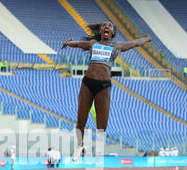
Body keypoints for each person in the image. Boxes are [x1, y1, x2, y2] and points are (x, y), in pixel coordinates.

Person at [61, 21, 151, 161]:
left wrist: (146, 39)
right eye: (104, 25)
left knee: (102, 128)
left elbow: (134, 43)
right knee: (80, 122)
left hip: (103, 87)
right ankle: (80, 145)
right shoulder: (93, 44)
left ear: (112, 32)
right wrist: (68, 43)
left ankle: (95, 120)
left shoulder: (117, 46)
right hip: (87, 84)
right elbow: (79, 44)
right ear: (101, 30)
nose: (106, 27)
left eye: (109, 26)